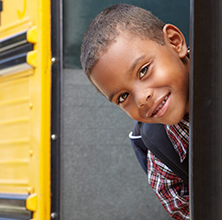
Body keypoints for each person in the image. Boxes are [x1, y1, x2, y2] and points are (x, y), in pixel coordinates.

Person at [80, 4, 190, 219]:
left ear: (175, 43)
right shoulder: (162, 160)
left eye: (143, 70)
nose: (141, 99)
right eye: (122, 97)